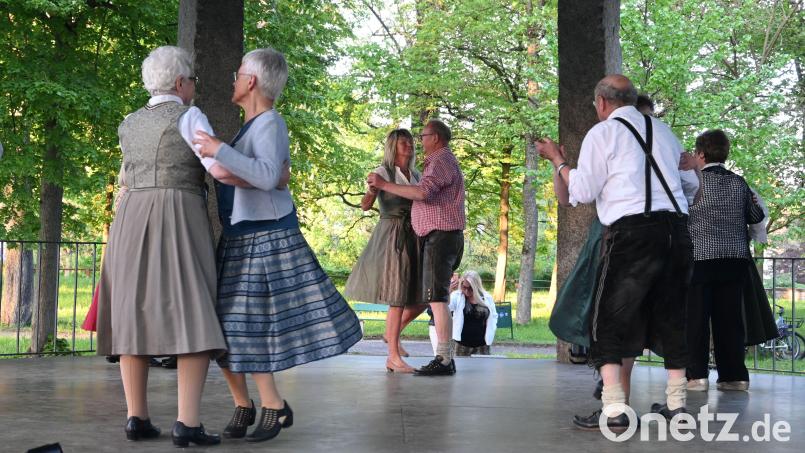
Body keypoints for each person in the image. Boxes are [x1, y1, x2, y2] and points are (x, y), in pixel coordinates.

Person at [193, 47, 363, 443]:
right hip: (240, 237)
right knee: (223, 326)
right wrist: (235, 169)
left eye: (238, 75)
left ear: (250, 81)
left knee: (247, 326)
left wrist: (221, 151)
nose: (233, 80)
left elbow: (268, 176)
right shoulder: (251, 127)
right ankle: (245, 403)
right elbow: (264, 175)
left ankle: (272, 404)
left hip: (266, 238)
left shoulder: (270, 123)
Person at [95, 45, 241, 447]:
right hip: (177, 212)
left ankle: (136, 418)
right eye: (192, 79)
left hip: (130, 216)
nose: (194, 86)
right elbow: (218, 168)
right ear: (181, 83)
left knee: (132, 313)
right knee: (192, 309)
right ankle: (187, 423)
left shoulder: (128, 122)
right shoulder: (189, 115)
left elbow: (126, 179)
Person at [536, 74, 699, 432]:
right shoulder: (665, 132)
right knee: (673, 318)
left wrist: (559, 161)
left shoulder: (604, 132)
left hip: (633, 234)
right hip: (676, 231)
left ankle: (614, 410)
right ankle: (677, 406)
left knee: (608, 320)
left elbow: (580, 190)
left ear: (602, 103)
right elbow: (691, 186)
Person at [368, 119, 466, 376]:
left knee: (432, 297)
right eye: (407, 141)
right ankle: (395, 349)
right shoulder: (395, 169)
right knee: (412, 296)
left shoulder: (437, 164)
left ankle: (443, 358)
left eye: (420, 136)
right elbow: (368, 201)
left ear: (435, 138)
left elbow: (423, 194)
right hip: (406, 238)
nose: (416, 142)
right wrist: (377, 187)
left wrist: (385, 185)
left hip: (434, 237)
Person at [683, 130, 769, 392]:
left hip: (700, 258)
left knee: (696, 319)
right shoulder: (740, 183)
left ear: (700, 154)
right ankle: (734, 377)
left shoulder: (692, 183)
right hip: (735, 260)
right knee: (730, 320)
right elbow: (756, 216)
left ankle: (696, 376)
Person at [344, 129, 426, 373]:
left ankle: (392, 335)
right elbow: (365, 206)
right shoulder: (382, 172)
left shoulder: (417, 175)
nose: (409, 145)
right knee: (398, 295)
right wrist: (372, 190)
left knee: (423, 297)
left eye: (411, 142)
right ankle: (392, 357)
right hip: (393, 235)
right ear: (393, 146)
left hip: (415, 234)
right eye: (404, 142)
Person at [449, 271, 497, 356]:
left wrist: (491, 331)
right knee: (460, 368)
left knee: (483, 369)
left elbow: (493, 316)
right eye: (464, 287)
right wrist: (448, 292)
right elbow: (447, 307)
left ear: (476, 286)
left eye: (470, 288)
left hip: (483, 344)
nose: (467, 291)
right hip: (461, 344)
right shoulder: (457, 296)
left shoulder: (487, 298)